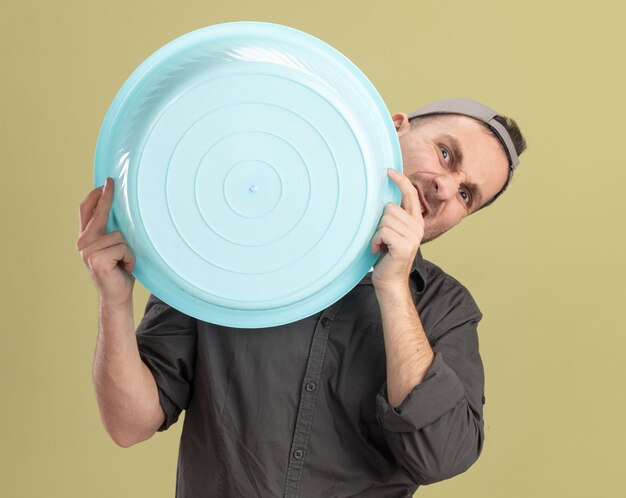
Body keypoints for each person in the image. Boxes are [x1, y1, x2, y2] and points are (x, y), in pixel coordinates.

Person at [76, 98, 526, 497]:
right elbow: (129, 425)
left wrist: (392, 286)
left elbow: (443, 456)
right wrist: (114, 303)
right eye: (446, 154)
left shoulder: (446, 308)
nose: (445, 189)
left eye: (467, 194)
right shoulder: (225, 246)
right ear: (393, 127)